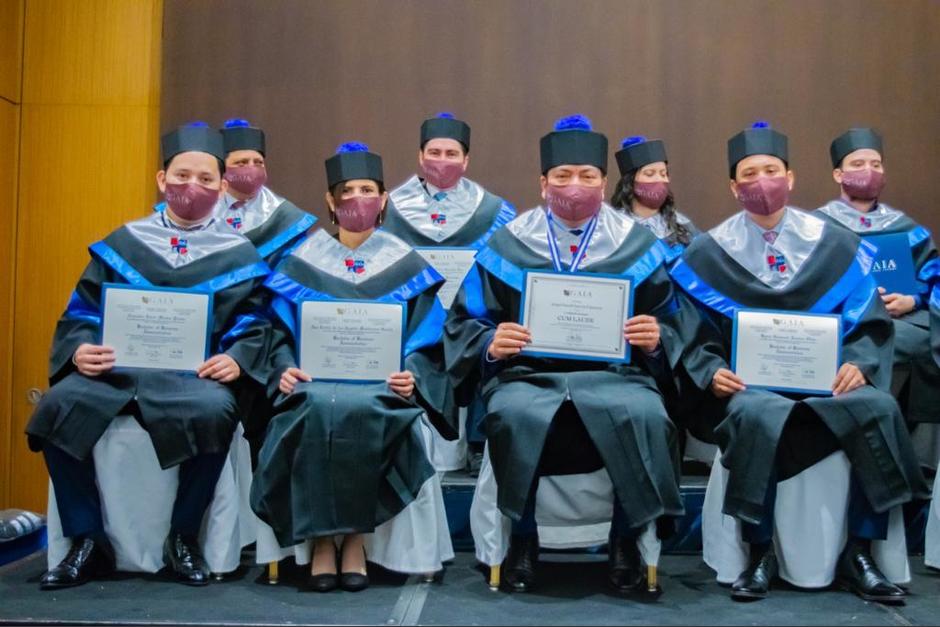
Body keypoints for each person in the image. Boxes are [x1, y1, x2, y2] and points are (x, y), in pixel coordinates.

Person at [670, 121, 928, 603]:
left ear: (789, 178)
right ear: (733, 186)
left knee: (876, 408)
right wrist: (711, 371)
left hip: (830, 381)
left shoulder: (835, 244)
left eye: (771, 170)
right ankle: (760, 551)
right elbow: (692, 333)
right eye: (749, 173)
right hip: (753, 386)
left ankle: (859, 552)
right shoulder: (708, 253)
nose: (761, 181)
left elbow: (870, 321)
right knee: (754, 415)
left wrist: (860, 364)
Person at [444, 114, 689, 594]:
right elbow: (466, 322)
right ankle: (524, 541)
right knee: (513, 415)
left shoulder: (637, 244)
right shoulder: (509, 243)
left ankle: (625, 541)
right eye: (562, 176)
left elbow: (675, 320)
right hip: (529, 376)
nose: (574, 186)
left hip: (617, 377)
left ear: (603, 183)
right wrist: (490, 345)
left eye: (587, 176)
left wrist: (656, 337)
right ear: (542, 183)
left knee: (647, 415)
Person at [26, 123, 272, 589]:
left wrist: (238, 358)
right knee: (56, 408)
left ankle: (182, 537)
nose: (192, 188)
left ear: (222, 187)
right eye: (182, 176)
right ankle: (86, 539)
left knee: (217, 411)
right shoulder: (125, 243)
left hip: (191, 377)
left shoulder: (237, 254)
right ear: (162, 180)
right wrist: (79, 349)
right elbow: (82, 309)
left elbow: (256, 321)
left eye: (204, 179)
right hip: (116, 373)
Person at [250, 142, 451, 593]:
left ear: (383, 200)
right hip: (313, 383)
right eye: (346, 191)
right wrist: (282, 367)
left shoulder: (405, 264)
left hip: (383, 386)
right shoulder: (302, 262)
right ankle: (323, 539)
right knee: (316, 405)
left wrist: (412, 373)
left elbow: (429, 338)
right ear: (329, 202)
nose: (356, 199)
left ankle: (355, 537)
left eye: (367, 190)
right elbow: (275, 334)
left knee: (363, 408)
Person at [384, 112, 515, 474]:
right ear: (420, 156)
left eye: (452, 153)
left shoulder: (494, 211)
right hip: (416, 318)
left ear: (466, 160)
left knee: (483, 343)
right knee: (415, 355)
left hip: (470, 312)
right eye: (435, 152)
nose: (443, 161)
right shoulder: (390, 208)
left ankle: (477, 441)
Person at [815, 128, 939, 428]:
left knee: (922, 337)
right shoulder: (815, 227)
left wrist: (912, 299)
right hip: (842, 322)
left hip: (900, 320)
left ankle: (919, 447)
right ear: (838, 174)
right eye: (858, 165)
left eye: (876, 164)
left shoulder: (906, 229)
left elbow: (932, 276)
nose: (868, 171)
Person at [611, 135, 700, 263]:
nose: (659, 179)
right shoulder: (614, 225)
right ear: (630, 182)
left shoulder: (683, 226)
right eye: (649, 174)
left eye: (663, 174)